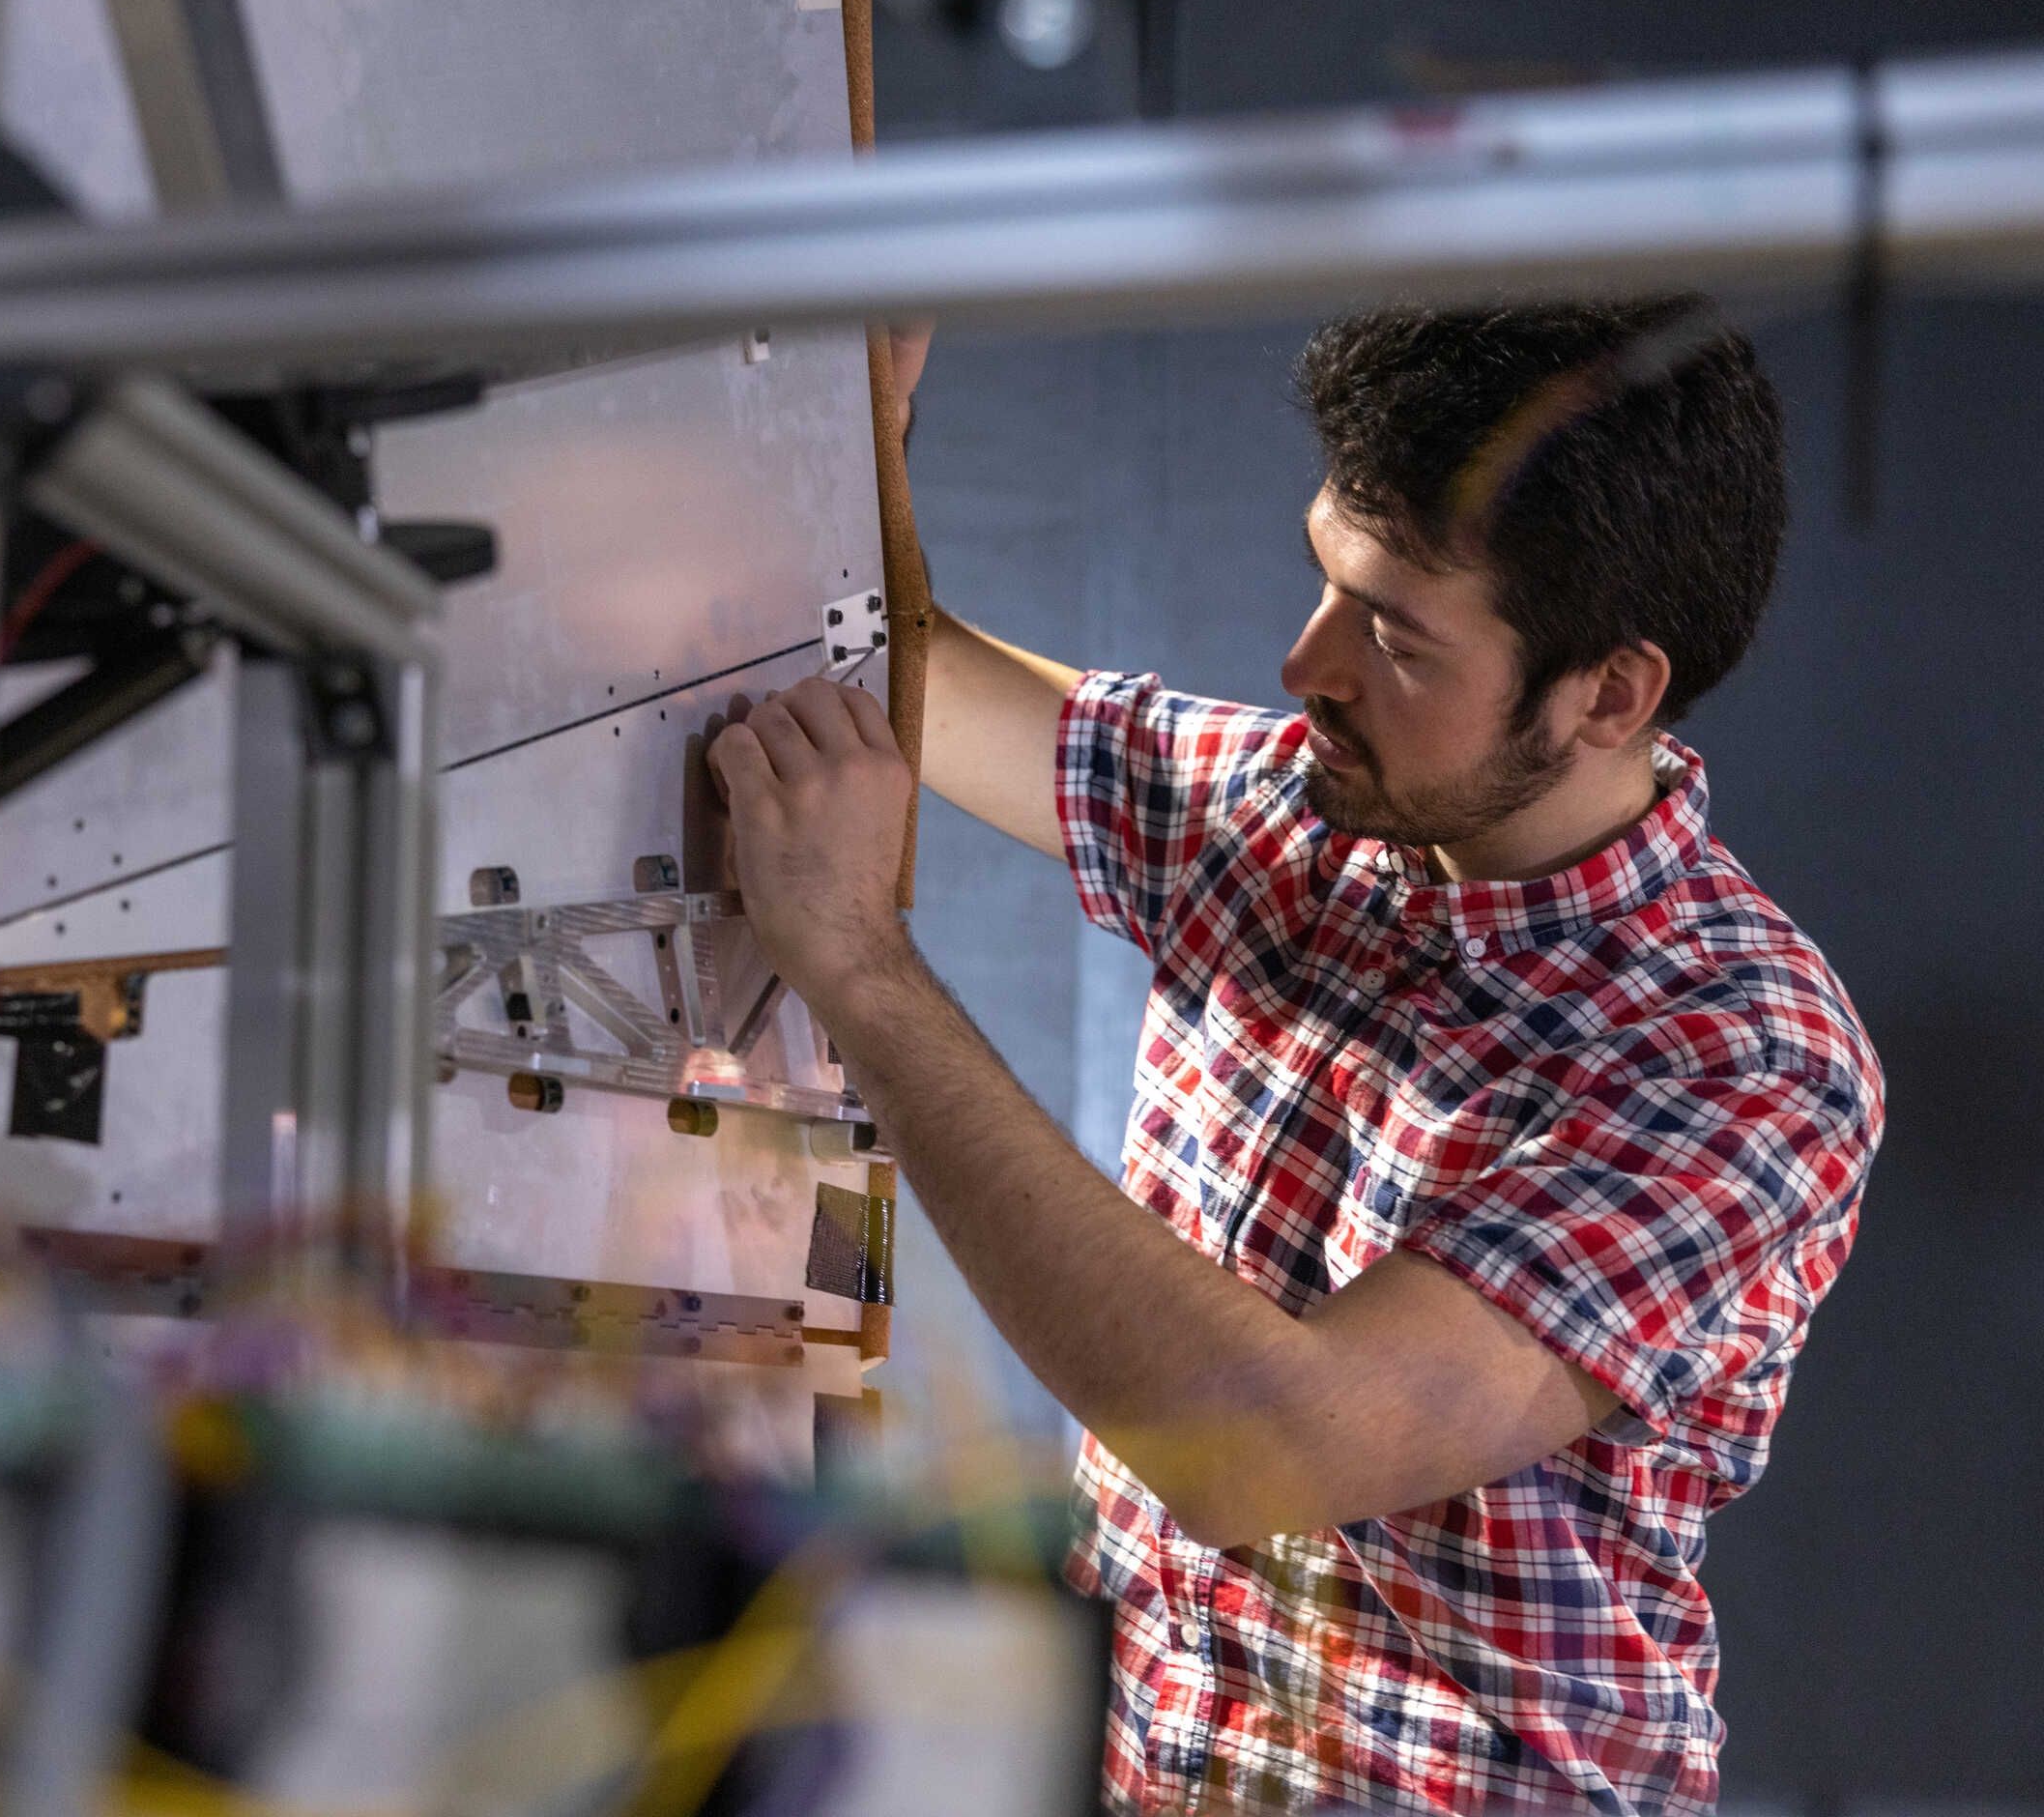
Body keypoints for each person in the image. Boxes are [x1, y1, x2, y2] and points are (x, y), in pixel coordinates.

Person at [708, 301, 1883, 1814]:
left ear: (1610, 693)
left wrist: (861, 970)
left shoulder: (1739, 1065)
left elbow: (1263, 1450)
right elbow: (895, 678)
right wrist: (855, 438)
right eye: (1326, 575)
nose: (1302, 661)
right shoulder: (1299, 812)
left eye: (1391, 634)